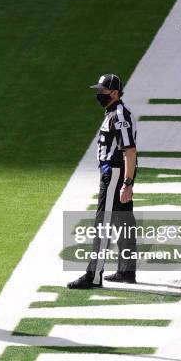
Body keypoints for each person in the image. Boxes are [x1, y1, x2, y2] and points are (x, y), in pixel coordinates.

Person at [68, 74, 138, 289]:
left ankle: (94, 276)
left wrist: (127, 183)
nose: (98, 95)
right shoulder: (114, 113)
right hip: (115, 174)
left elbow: (130, 150)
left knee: (103, 224)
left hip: (115, 175)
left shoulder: (119, 116)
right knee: (123, 221)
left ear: (114, 93)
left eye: (102, 91)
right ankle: (126, 271)